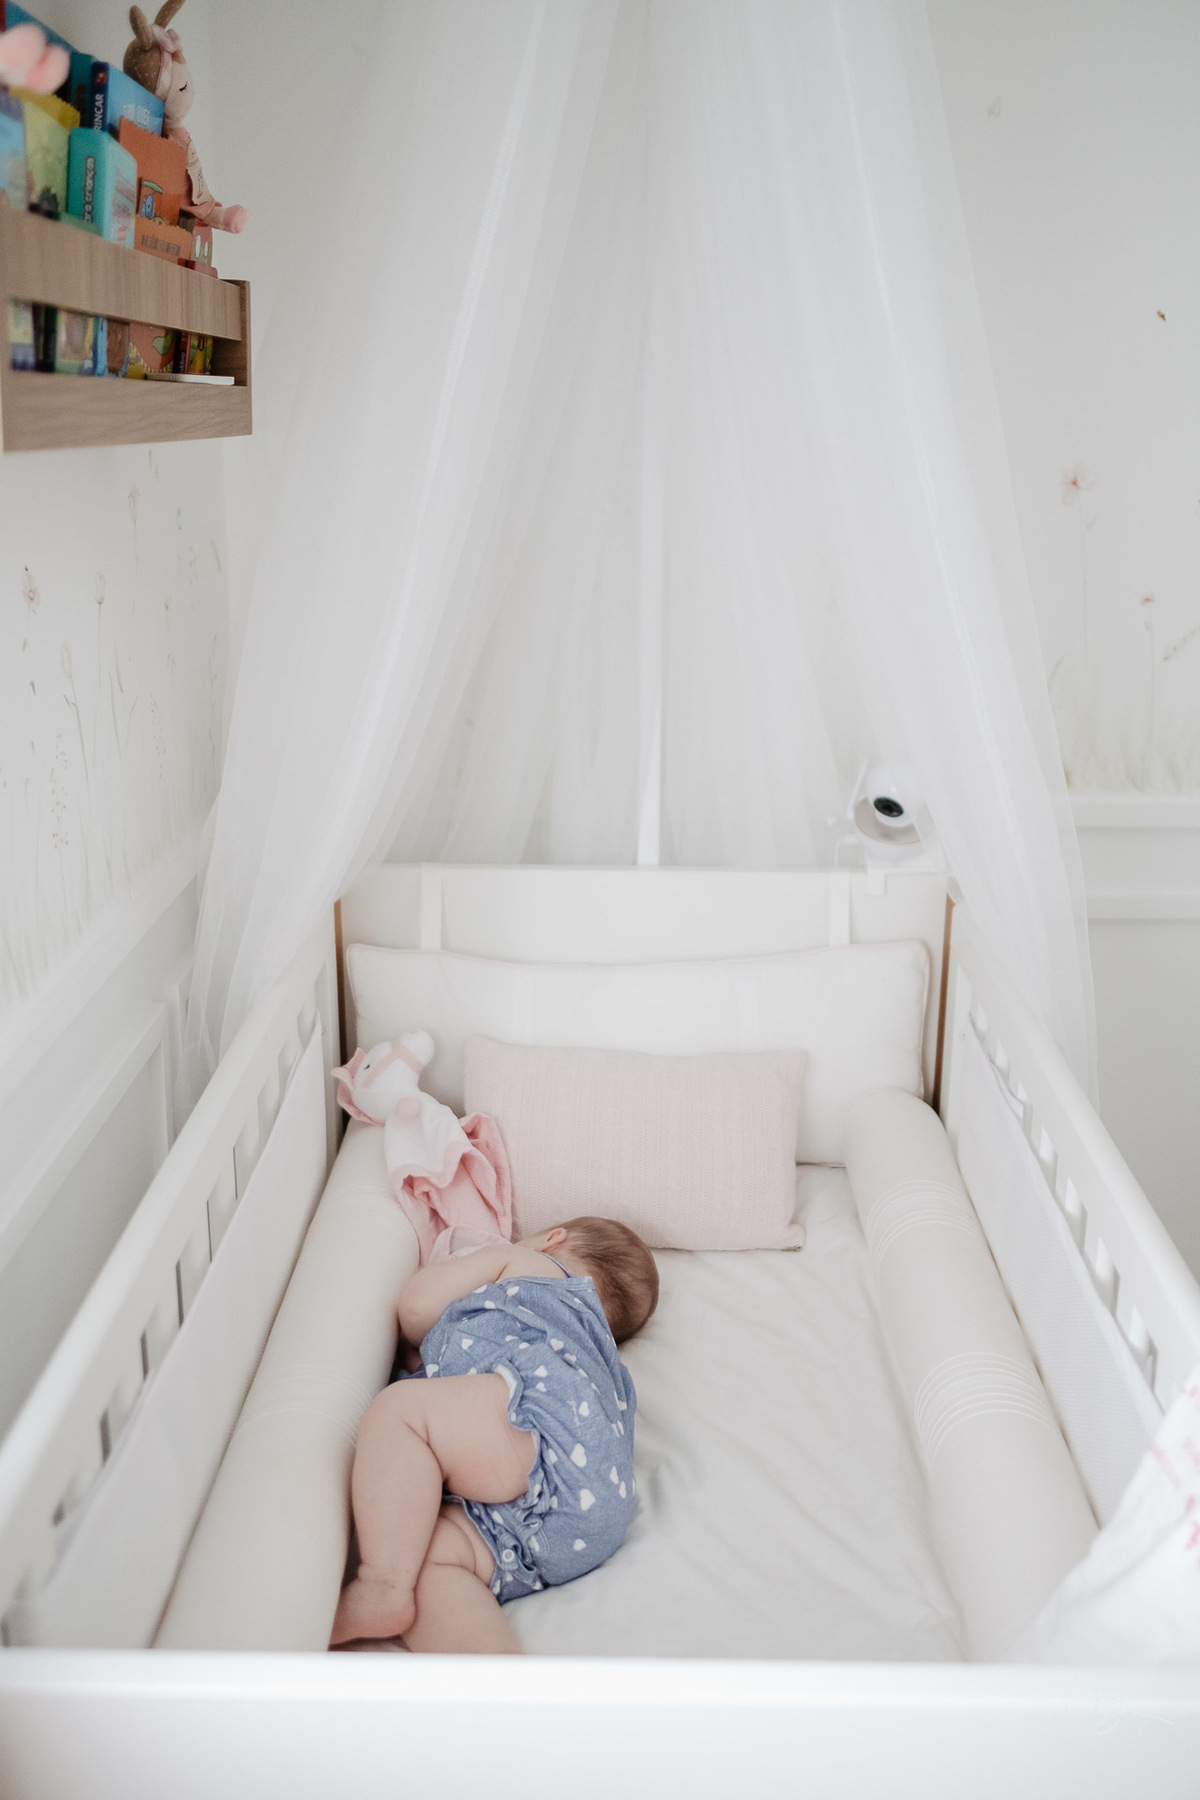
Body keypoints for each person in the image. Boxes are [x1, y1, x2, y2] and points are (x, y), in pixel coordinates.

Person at [330, 1215, 659, 1653]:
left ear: (552, 1239)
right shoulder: (592, 1351)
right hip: (591, 1517)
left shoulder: (532, 1265)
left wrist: (488, 1260)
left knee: (402, 1413)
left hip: (547, 1429)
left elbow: (416, 1308)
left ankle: (381, 1582)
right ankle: (491, 1675)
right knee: (426, 1555)